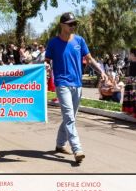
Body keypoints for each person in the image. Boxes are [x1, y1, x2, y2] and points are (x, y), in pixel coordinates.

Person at [45, 12, 108, 164]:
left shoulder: (80, 40)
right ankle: (77, 149)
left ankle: (60, 145)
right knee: (69, 117)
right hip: (62, 83)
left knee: (70, 117)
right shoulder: (53, 43)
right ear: (62, 25)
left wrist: (102, 72)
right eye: (70, 24)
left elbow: (89, 59)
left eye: (74, 24)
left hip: (77, 84)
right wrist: (46, 66)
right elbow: (47, 61)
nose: (73, 26)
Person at [122, 47, 136, 118]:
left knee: (133, 97)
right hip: (129, 81)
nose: (129, 55)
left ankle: (133, 112)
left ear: (133, 54)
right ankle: (129, 111)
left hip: (134, 82)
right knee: (128, 96)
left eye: (130, 54)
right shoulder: (129, 63)